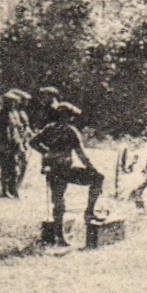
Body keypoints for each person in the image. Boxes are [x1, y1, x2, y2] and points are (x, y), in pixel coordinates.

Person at [29, 102, 106, 243]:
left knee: (58, 203)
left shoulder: (49, 129)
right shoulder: (70, 131)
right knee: (97, 178)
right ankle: (88, 213)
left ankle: (60, 235)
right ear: (68, 117)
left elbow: (33, 142)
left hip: (55, 170)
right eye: (70, 116)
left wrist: (46, 152)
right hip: (64, 170)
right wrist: (92, 168)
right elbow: (81, 154)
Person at [0, 89, 31, 199]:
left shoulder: (14, 113)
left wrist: (20, 143)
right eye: (11, 102)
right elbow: (3, 132)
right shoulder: (2, 114)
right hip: (5, 145)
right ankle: (5, 191)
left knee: (14, 168)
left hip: (14, 144)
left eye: (14, 102)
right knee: (6, 168)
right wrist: (4, 145)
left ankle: (13, 190)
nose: (13, 104)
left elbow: (16, 129)